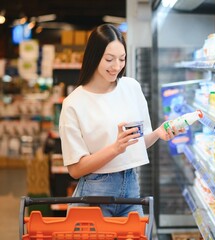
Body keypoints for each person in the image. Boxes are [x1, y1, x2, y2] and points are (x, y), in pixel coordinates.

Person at [59, 24, 181, 217]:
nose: (117, 66)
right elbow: (75, 169)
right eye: (109, 59)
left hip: (131, 187)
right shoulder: (73, 103)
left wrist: (158, 133)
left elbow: (137, 143)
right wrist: (115, 148)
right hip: (95, 194)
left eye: (122, 59)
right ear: (94, 56)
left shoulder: (131, 87)